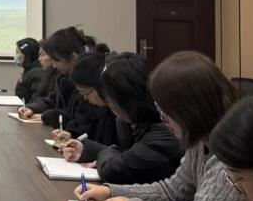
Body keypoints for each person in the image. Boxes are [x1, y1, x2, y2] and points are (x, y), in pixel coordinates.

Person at [75, 51, 253, 201]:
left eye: (165, 113)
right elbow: (172, 192)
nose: (164, 120)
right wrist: (111, 192)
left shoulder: (231, 154)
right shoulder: (200, 140)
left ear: (190, 110)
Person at [61, 52, 182, 184]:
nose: (109, 106)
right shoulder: (138, 122)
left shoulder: (165, 131)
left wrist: (107, 155)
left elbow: (112, 171)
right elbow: (127, 156)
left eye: (109, 101)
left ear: (126, 99)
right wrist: (87, 150)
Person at [17, 27, 102, 121]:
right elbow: (51, 100)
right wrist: (32, 108)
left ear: (73, 57)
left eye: (57, 60)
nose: (54, 65)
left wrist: (49, 117)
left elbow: (81, 121)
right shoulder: (64, 78)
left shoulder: (87, 82)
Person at [11, 38, 43, 103]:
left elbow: (35, 100)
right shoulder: (30, 70)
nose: (15, 55)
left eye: (17, 52)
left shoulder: (36, 73)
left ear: (27, 54)